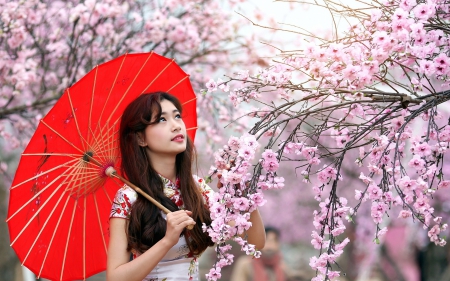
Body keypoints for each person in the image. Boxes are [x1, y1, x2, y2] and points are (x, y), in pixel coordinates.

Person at [106, 92, 265, 281]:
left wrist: (242, 197)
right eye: (162, 119)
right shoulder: (128, 197)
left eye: (177, 116)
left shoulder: (196, 188)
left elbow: (256, 242)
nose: (175, 126)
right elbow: (115, 278)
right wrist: (167, 241)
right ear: (141, 138)